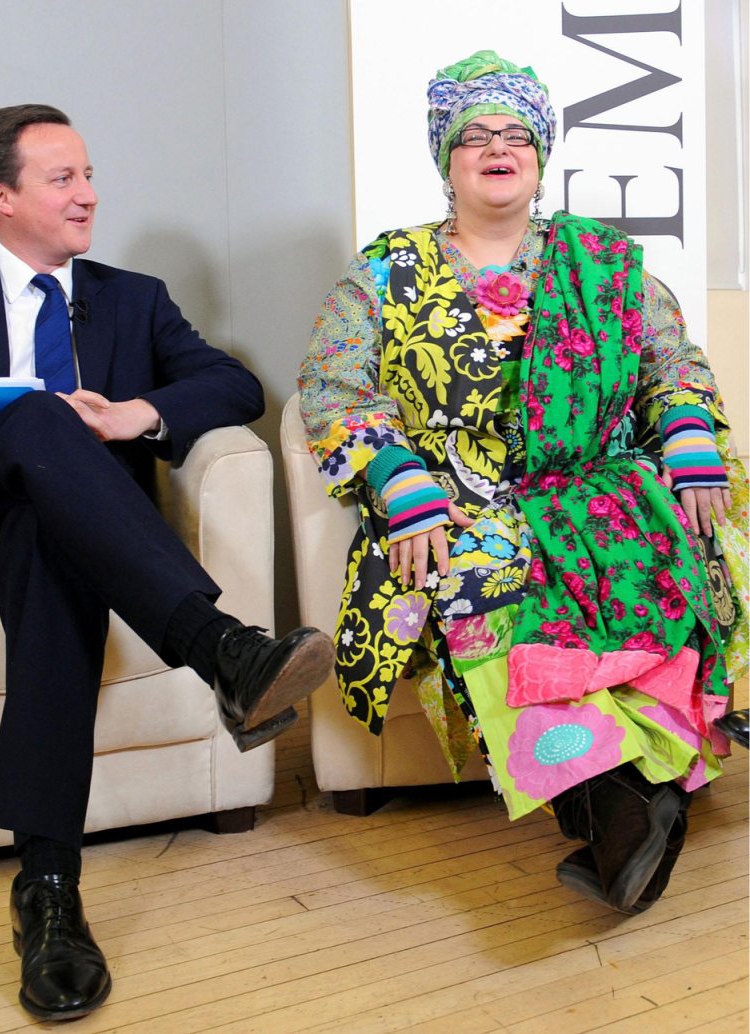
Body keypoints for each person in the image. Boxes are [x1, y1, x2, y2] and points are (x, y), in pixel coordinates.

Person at [0, 104, 334, 1022]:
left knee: (52, 542)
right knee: (32, 416)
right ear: (1, 195)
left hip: (64, 536)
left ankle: (49, 895)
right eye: (63, 178)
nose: (89, 195)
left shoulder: (132, 297)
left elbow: (235, 383)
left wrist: (132, 415)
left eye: (90, 175)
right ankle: (221, 647)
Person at [299, 51, 750, 916]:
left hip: (597, 481)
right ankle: (615, 801)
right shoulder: (382, 274)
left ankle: (627, 795)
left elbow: (671, 360)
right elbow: (332, 386)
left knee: (668, 524)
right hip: (456, 499)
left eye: (516, 134)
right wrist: (396, 481)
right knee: (480, 571)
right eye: (475, 136)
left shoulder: (608, 266)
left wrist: (688, 429)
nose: (497, 148)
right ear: (447, 160)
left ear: (541, 156)